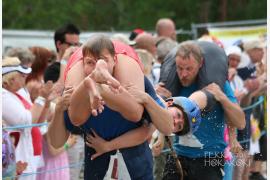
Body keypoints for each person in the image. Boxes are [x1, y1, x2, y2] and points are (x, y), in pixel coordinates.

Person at [49, 34, 173, 179]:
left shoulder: (137, 83)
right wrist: (58, 108)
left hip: (130, 156)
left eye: (102, 61)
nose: (95, 66)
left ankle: (96, 83)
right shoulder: (73, 90)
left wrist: (108, 146)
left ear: (115, 61)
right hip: (97, 154)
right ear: (83, 65)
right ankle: (93, 82)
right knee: (77, 116)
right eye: (90, 63)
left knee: (136, 113)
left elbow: (153, 129)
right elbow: (57, 140)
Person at [156, 41, 245, 179]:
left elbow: (240, 121)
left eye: (189, 69)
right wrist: (157, 98)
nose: (183, 74)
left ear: (200, 64)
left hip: (210, 157)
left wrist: (222, 97)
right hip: (178, 154)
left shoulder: (217, 83)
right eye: (179, 68)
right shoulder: (171, 85)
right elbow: (166, 115)